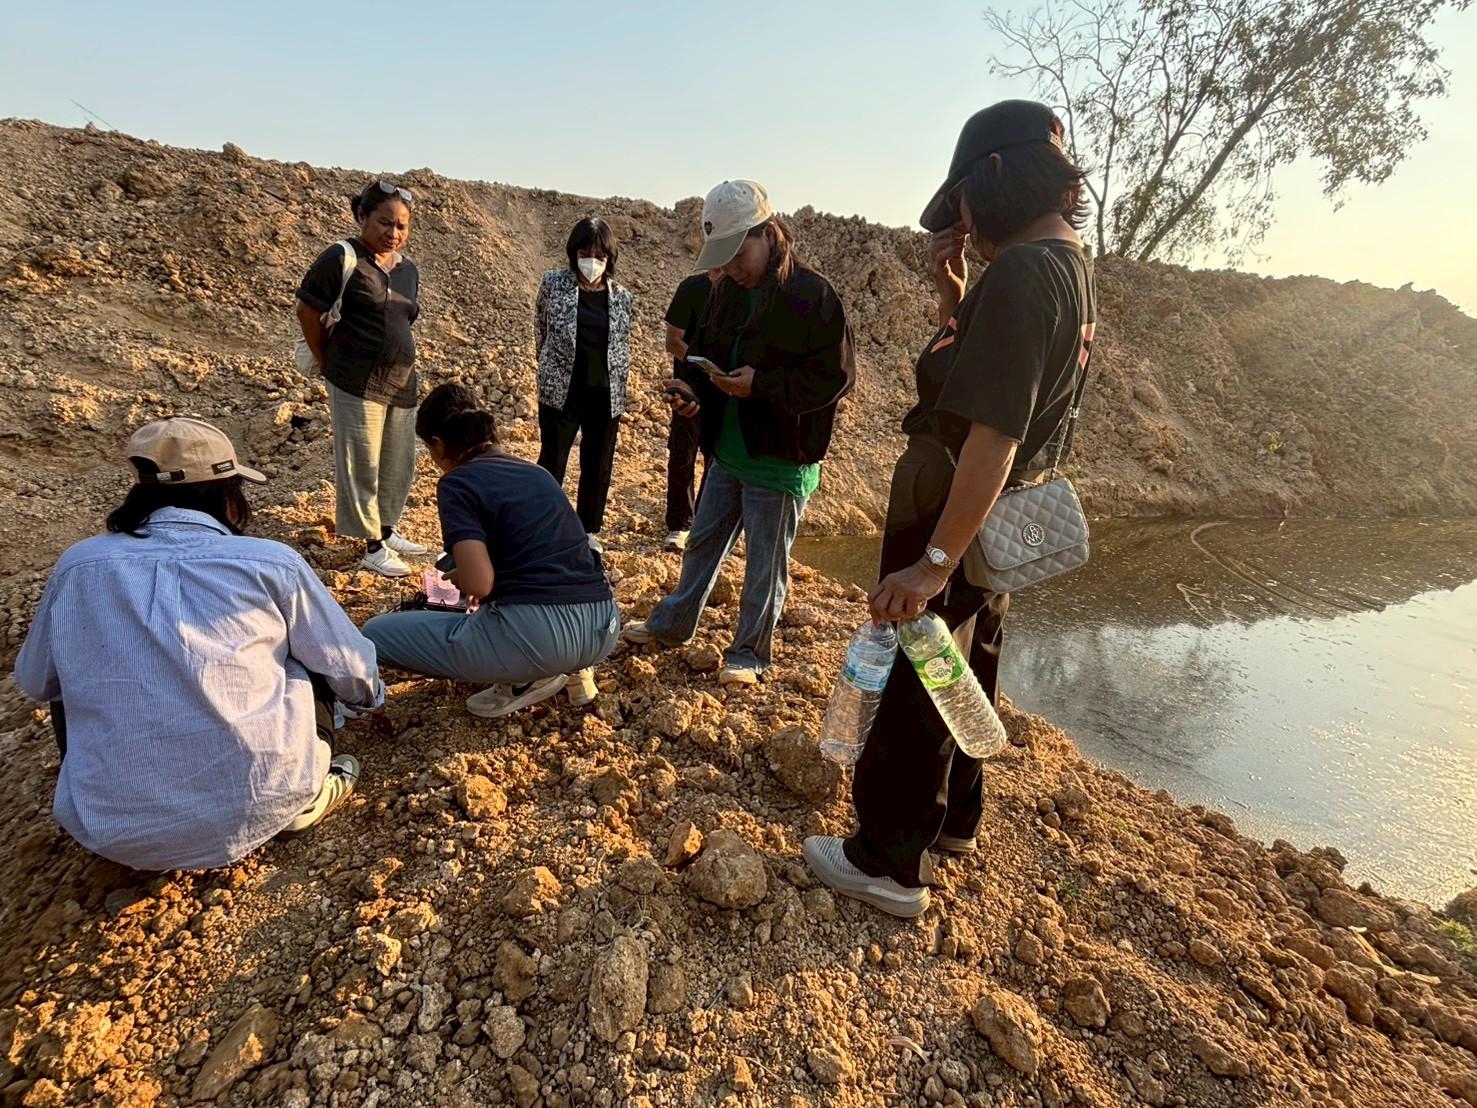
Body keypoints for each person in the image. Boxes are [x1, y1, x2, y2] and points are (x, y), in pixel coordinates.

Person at [804, 101, 1097, 917]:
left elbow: (992, 435)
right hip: (994, 514)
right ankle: (952, 821)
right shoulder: (1065, 266)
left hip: (954, 506)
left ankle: (888, 862)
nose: (962, 222)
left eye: (963, 200)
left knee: (917, 670)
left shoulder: (1024, 274)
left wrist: (931, 563)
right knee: (966, 660)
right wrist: (952, 295)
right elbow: (985, 377)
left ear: (995, 175)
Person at [14, 418, 384, 872]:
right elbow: (348, 665)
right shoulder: (269, 563)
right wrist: (369, 700)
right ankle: (304, 795)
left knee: (66, 677)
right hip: (265, 799)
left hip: (107, 830)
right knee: (307, 651)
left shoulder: (78, 565)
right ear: (227, 493)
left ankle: (125, 797)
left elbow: (36, 680)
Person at [624, 181, 854, 686]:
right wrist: (692, 391)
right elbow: (705, 354)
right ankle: (673, 623)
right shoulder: (726, 292)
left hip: (779, 458)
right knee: (702, 544)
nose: (731, 267)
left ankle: (750, 653)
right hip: (729, 451)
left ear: (768, 234)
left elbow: (834, 379)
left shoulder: (812, 295)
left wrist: (762, 386)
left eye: (738, 254)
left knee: (764, 567)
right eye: (723, 257)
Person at [362, 383, 621, 717]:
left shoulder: (457, 483)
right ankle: (568, 672)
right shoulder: (538, 473)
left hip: (541, 639)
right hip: (603, 626)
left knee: (375, 634)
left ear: (438, 444)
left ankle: (527, 677)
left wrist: (465, 577)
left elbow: (480, 584)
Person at [297, 179, 427, 578]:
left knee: (397, 463)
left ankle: (386, 529)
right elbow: (308, 311)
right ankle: (372, 546)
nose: (393, 233)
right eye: (385, 222)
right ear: (361, 216)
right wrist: (326, 359)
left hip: (400, 382)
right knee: (362, 464)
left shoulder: (407, 270)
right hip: (356, 379)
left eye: (401, 226)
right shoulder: (342, 257)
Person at [534, 217, 636, 549]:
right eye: (584, 253)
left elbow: (622, 343)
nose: (592, 261)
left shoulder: (622, 297)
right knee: (553, 459)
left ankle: (588, 530)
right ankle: (543, 524)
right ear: (573, 253)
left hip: (604, 393)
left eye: (599, 255)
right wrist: (548, 367)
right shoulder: (554, 284)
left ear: (610, 258)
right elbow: (541, 328)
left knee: (598, 462)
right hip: (561, 390)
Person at [660, 268, 722, 550]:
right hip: (688, 386)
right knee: (683, 453)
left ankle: (706, 522)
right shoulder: (692, 287)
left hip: (725, 389)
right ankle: (680, 524)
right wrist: (703, 364)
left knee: (717, 457)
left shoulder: (741, 292)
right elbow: (673, 341)